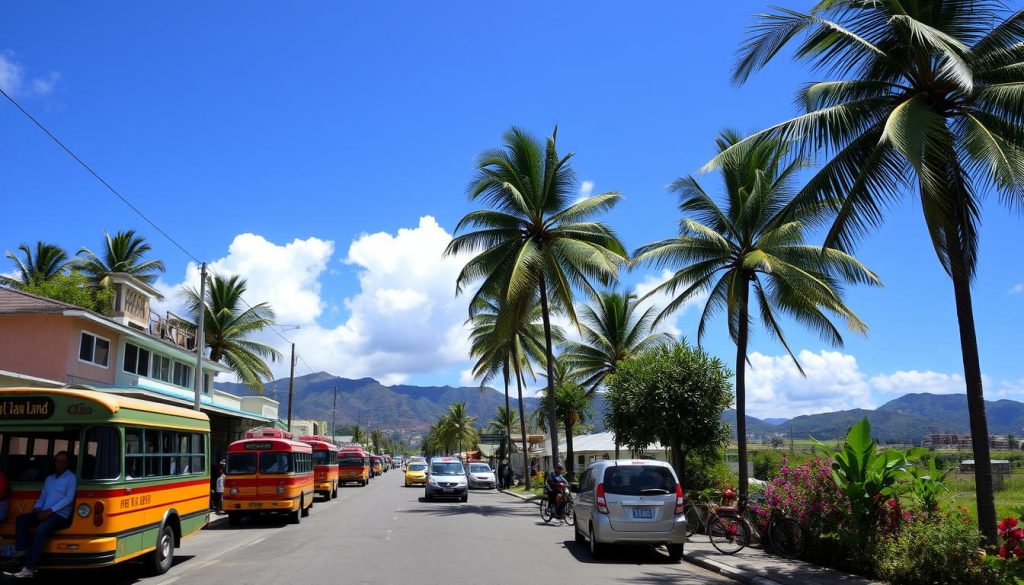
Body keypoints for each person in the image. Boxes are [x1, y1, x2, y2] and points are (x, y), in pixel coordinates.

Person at [9, 451, 77, 579]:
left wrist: (51, 510)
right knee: (22, 519)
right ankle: (22, 550)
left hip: (60, 515)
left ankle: (29, 568)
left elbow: (69, 498)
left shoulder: (71, 477)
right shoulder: (49, 479)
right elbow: (43, 497)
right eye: (58, 460)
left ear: (67, 463)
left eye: (63, 461)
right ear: (55, 462)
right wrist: (37, 508)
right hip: (44, 511)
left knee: (41, 530)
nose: (60, 463)